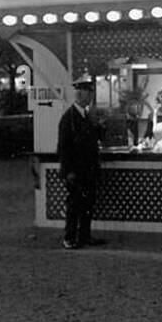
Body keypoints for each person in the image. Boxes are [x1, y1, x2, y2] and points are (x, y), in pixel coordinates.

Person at [57, 78, 104, 249]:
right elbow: (63, 147)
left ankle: (85, 235)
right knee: (75, 204)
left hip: (89, 169)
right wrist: (68, 171)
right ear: (79, 94)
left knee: (88, 204)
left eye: (91, 93)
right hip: (76, 171)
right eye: (87, 93)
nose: (90, 97)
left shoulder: (86, 116)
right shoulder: (68, 118)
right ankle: (69, 237)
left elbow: (96, 138)